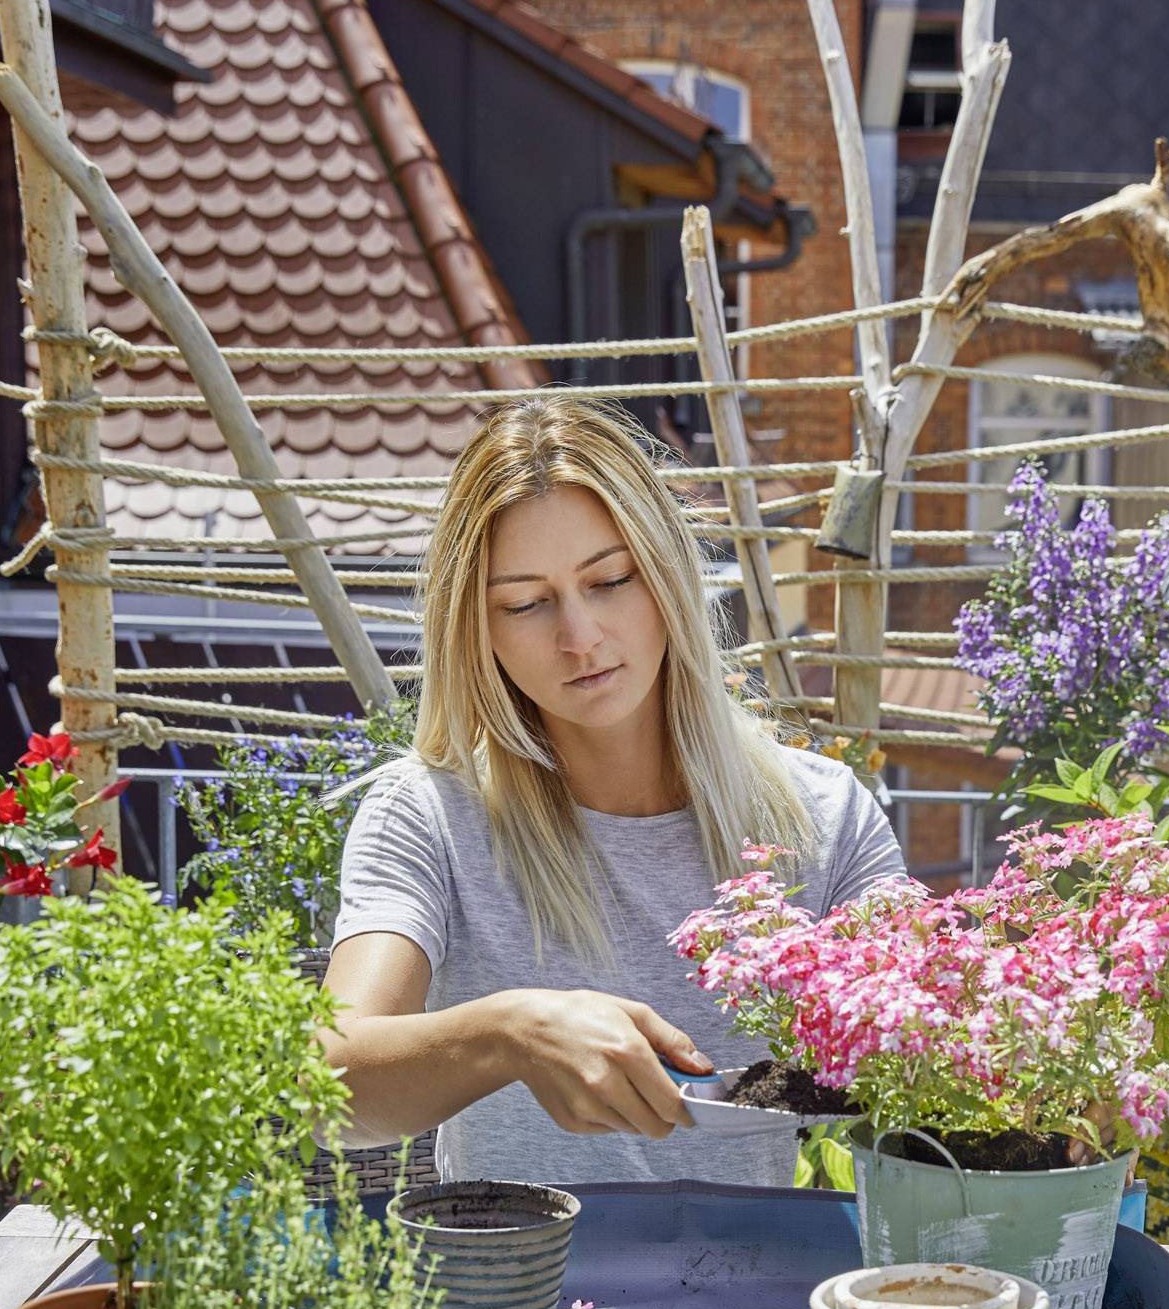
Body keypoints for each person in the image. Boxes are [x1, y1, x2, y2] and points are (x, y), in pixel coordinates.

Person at [319, 398, 910, 1187]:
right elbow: (330, 1083)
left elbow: (930, 1042)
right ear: (476, 627)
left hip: (757, 1305)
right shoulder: (428, 816)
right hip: (513, 1302)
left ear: (665, 574)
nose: (580, 637)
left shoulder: (824, 817)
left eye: (609, 579)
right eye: (525, 603)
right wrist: (513, 1034)